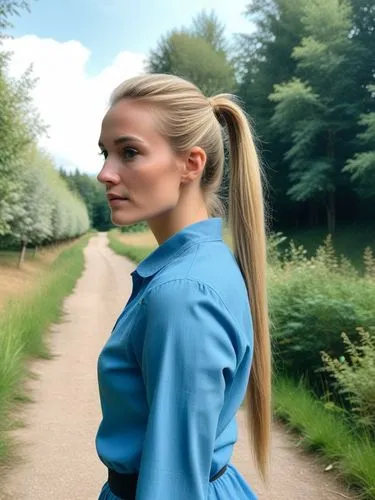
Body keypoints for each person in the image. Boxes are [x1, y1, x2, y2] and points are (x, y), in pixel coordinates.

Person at [95, 73, 271, 500]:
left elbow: (171, 484)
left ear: (191, 164)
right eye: (104, 153)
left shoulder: (184, 294)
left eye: (129, 152)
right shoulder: (204, 265)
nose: (104, 173)